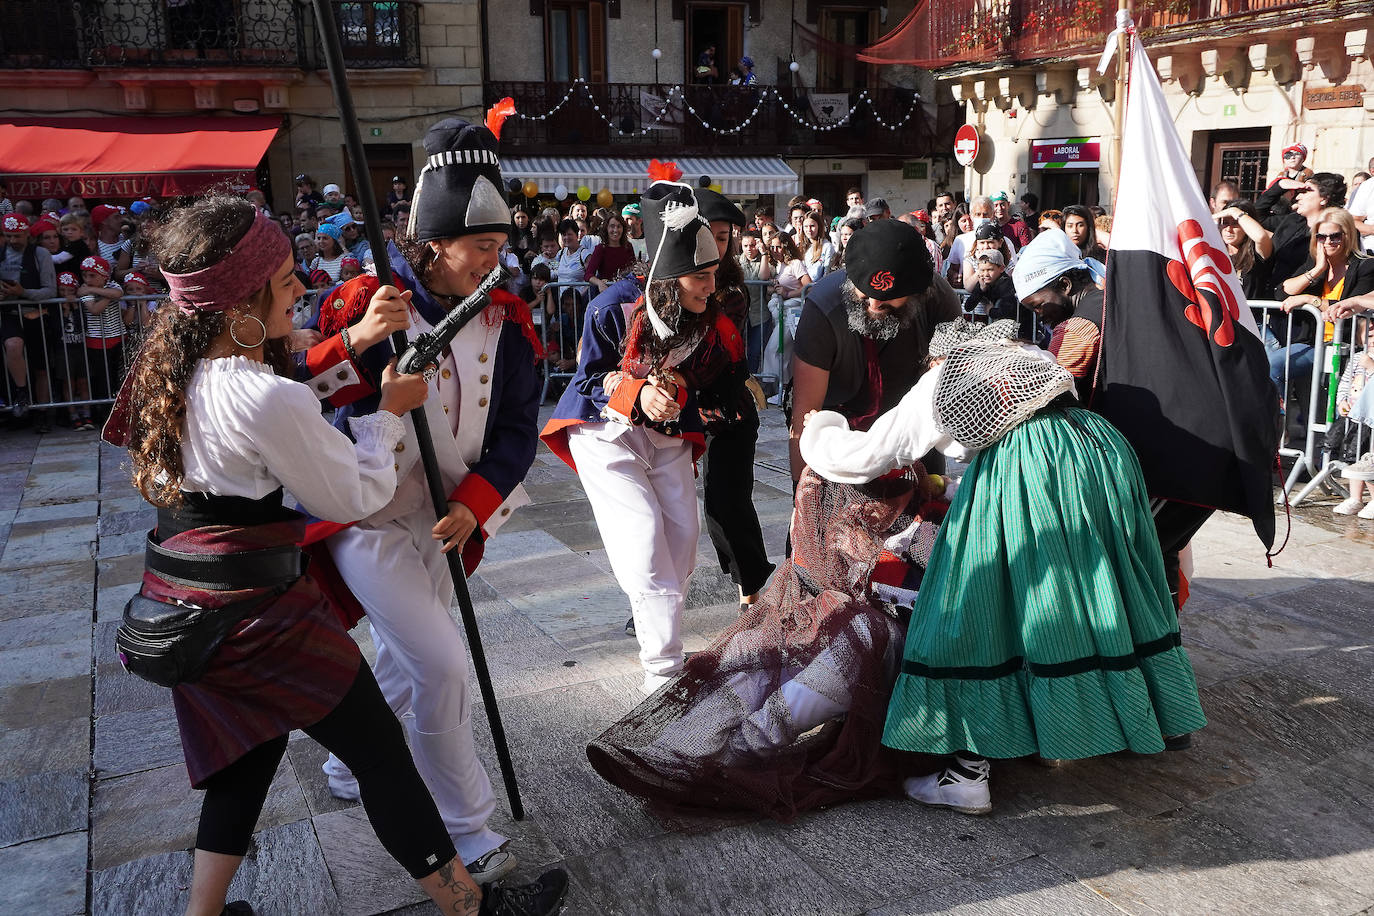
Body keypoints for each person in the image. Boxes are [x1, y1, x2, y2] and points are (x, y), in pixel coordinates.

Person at [107, 194, 566, 916]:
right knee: (381, 754)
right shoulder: (264, 394)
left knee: (247, 757)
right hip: (257, 616)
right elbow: (350, 497)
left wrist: (351, 349)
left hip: (185, 598)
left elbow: (508, 427)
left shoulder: (172, 372)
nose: (300, 288)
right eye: (286, 277)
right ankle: (473, 905)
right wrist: (385, 413)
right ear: (242, 298)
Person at [801, 329, 1206, 816]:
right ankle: (1126, 719)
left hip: (1032, 467)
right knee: (1095, 591)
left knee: (977, 602)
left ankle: (968, 773)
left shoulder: (945, 377)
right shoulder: (1026, 354)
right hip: (1100, 452)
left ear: (936, 357)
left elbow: (864, 456)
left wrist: (818, 428)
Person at [304, 113, 544, 885]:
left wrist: (476, 500)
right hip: (366, 513)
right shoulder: (364, 300)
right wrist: (362, 344)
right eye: (481, 247)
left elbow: (514, 428)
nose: (493, 262)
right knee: (441, 665)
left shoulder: (507, 319)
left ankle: (348, 766)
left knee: (409, 662)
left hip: (445, 515)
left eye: (499, 247)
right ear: (436, 242)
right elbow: (303, 393)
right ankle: (469, 831)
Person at [540, 164, 740, 694]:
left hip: (669, 434)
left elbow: (715, 376)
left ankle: (658, 629)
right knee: (646, 540)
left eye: (714, 272)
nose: (710, 286)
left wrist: (718, 398)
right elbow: (586, 379)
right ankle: (663, 674)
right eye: (700, 276)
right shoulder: (612, 308)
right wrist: (637, 391)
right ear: (669, 276)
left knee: (683, 542)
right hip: (604, 433)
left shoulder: (709, 315)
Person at [788, 219, 963, 482]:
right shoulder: (823, 308)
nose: (874, 303)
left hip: (911, 434)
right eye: (865, 294)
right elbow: (803, 417)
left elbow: (946, 383)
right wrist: (801, 495)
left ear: (917, 293)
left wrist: (943, 368)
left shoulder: (938, 299)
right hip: (840, 436)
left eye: (887, 299)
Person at [691, 187, 774, 609]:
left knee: (728, 503)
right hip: (677, 414)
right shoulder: (668, 285)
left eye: (724, 237)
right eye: (710, 235)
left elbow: (710, 360)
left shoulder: (732, 295)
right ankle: (658, 598)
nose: (717, 245)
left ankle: (754, 593)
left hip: (729, 413)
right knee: (683, 514)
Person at [2, 213, 58, 426]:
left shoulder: (40, 254)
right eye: (8, 236)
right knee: (13, 345)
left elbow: (50, 291)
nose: (12, 240)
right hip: (9, 314)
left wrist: (23, 292)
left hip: (37, 313)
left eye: (17, 236)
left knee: (41, 365)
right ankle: (21, 393)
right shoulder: (1, 253)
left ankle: (42, 413)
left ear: (27, 233)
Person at [1331, 318, 1374, 517]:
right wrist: (1342, 402)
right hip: (1356, 419)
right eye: (1367, 335)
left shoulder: (1367, 360)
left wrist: (1372, 367)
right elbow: (1345, 383)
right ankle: (1355, 498)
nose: (1371, 339)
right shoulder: (1357, 358)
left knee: (1370, 461)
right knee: (1354, 458)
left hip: (1371, 419)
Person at [1216, 201, 1274, 299]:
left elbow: (1261, 237)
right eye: (1225, 223)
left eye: (1235, 223)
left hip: (1249, 313)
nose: (1228, 229)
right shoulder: (1215, 251)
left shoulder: (1256, 253)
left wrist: (1234, 212)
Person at [583, 212, 636, 293]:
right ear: (606, 228)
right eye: (612, 226)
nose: (615, 230)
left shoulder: (628, 247)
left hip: (625, 292)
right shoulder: (601, 248)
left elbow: (634, 270)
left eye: (619, 226)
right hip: (607, 293)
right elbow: (588, 275)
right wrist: (599, 283)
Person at [799, 209, 834, 282]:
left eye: (812, 226)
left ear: (819, 226)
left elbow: (827, 274)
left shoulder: (827, 247)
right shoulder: (801, 247)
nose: (809, 229)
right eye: (806, 226)